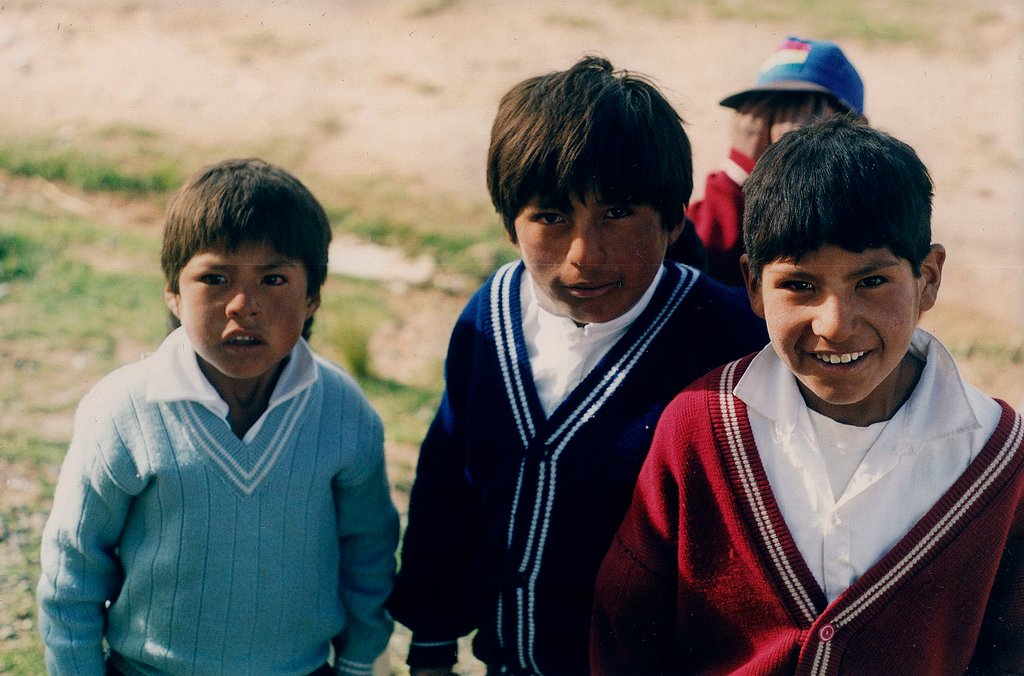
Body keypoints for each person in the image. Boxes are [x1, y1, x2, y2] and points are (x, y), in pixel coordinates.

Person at [591, 117, 1023, 674]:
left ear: (929, 278)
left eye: (871, 282)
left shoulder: (997, 459)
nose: (835, 325)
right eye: (799, 285)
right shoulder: (700, 427)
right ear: (752, 285)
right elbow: (625, 632)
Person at [387, 56, 769, 675]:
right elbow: (447, 482)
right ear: (510, 223)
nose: (584, 254)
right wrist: (430, 638)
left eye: (618, 213)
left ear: (673, 220)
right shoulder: (488, 320)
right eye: (551, 216)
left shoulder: (728, 343)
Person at [37, 158, 400, 675]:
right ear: (174, 294)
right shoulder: (123, 411)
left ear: (313, 296)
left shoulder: (342, 411)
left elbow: (368, 553)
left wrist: (360, 662)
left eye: (274, 278)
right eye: (215, 277)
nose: (243, 305)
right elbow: (73, 564)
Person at [670, 36, 865, 286]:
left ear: (859, 126)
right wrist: (736, 173)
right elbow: (696, 261)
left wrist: (799, 164)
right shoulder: (738, 186)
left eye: (802, 109)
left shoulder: (873, 197)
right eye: (768, 109)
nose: (777, 125)